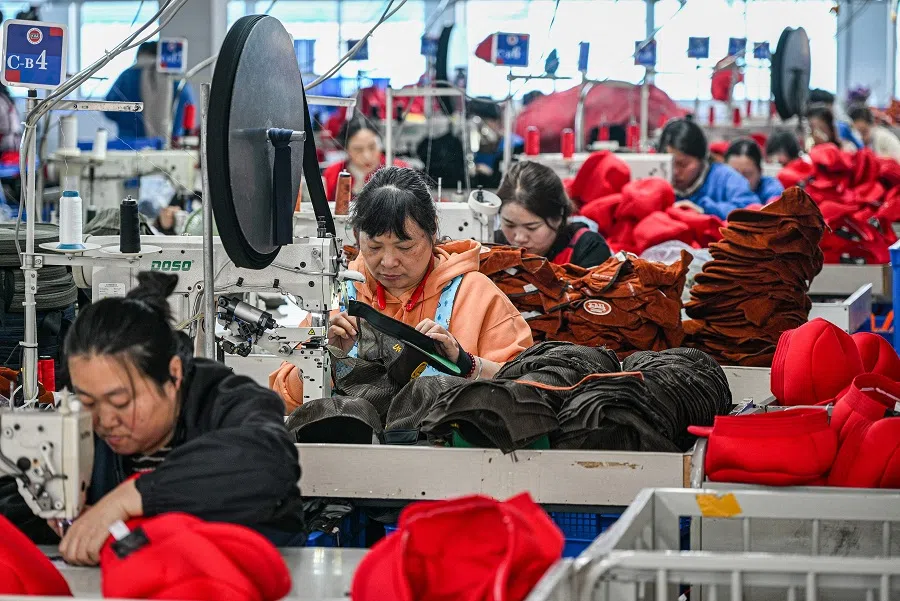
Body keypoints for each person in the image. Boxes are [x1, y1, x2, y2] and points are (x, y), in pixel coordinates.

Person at [56, 272, 304, 565]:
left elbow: (270, 460)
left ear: (173, 375)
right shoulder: (86, 428)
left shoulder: (229, 400)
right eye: (87, 401)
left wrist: (136, 495)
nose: (105, 420)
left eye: (120, 401)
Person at [329, 167, 533, 379]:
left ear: (432, 231)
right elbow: (292, 394)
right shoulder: (337, 296)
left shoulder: (476, 295)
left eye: (405, 247)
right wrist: (327, 360)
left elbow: (527, 383)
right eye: (374, 247)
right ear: (356, 235)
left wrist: (466, 363)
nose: (388, 262)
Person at [494, 161, 612, 267]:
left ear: (558, 217)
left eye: (531, 227)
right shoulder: (492, 247)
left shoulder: (588, 249)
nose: (519, 238)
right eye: (509, 224)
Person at [657, 118, 758, 219]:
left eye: (683, 164)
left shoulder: (725, 178)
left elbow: (751, 212)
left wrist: (705, 210)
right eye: (668, 165)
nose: (675, 171)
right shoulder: (655, 180)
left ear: (702, 158)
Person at [104, 42, 195, 140]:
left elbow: (109, 111)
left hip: (129, 144)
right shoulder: (177, 79)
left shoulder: (126, 76)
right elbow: (188, 112)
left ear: (140, 55)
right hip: (171, 146)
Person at [322, 119, 407, 201]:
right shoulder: (333, 173)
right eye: (358, 149)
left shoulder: (398, 169)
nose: (367, 156)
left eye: (372, 147)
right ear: (347, 150)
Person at [725, 138, 784, 203]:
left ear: (760, 172)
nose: (740, 181)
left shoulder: (771, 189)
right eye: (733, 174)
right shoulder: (717, 188)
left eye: (747, 174)